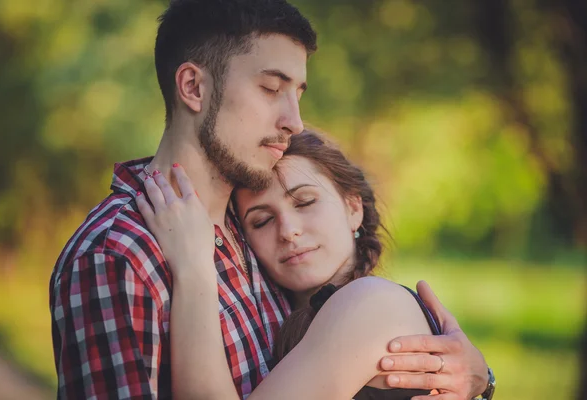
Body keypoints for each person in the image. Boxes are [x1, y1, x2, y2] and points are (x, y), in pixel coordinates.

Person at [50, 1, 491, 399]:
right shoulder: (117, 255)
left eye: (297, 94)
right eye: (270, 88)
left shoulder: (248, 237)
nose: (294, 122)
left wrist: (479, 378)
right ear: (193, 87)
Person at [137, 130, 493, 400]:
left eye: (305, 202)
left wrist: (193, 265)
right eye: (261, 221)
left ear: (353, 208)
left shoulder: (371, 304)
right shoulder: (293, 317)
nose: (289, 231)